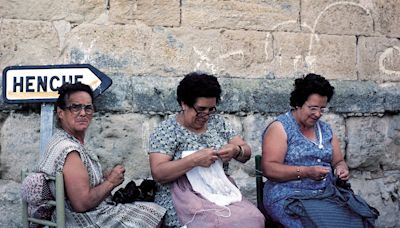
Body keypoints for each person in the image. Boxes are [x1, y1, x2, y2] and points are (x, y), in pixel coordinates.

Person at [36, 82, 166, 227]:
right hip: (82, 219)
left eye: (88, 108)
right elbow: (82, 204)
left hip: (82, 213)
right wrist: (111, 182)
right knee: (155, 213)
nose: (83, 113)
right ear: (61, 113)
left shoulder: (60, 140)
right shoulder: (70, 151)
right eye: (75, 107)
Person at [261, 73, 379, 227]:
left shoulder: (325, 130)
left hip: (325, 194)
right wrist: (306, 172)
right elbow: (269, 169)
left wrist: (341, 168)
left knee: (358, 220)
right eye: (313, 108)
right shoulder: (280, 128)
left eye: (322, 109)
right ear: (298, 103)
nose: (318, 114)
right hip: (289, 195)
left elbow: (338, 161)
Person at [149, 72, 265, 227]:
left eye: (211, 109)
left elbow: (246, 152)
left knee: (254, 218)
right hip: (182, 195)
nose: (206, 115)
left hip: (218, 189)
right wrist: (194, 160)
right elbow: (159, 173)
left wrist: (236, 150)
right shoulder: (167, 130)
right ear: (184, 104)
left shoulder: (218, 123)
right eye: (201, 109)